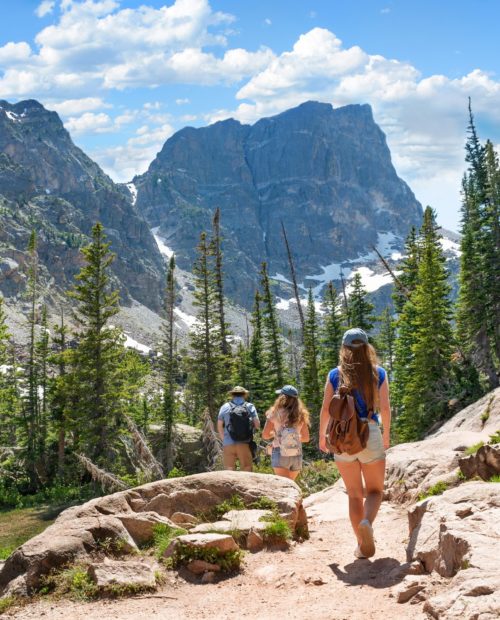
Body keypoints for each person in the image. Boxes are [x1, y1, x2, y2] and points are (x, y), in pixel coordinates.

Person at [319, 328, 391, 560]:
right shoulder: (378, 373)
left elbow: (325, 410)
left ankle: (361, 546)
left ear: (344, 349)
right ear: (367, 348)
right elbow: (386, 408)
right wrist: (386, 435)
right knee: (375, 491)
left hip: (342, 438)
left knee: (353, 494)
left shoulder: (334, 374)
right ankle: (366, 522)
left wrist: (322, 437)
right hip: (369, 432)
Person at [262, 384, 310, 480]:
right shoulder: (301, 415)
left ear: (281, 397)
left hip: (280, 453)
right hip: (296, 454)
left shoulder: (274, 413)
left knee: (284, 488)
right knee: (291, 485)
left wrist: (277, 435)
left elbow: (265, 435)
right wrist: (292, 437)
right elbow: (306, 438)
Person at [217, 386, 260, 472]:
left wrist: (224, 440)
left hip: (228, 443)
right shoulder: (249, 406)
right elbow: (257, 425)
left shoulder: (225, 407)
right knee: (246, 468)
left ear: (232, 395)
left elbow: (219, 425)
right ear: (244, 395)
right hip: (244, 443)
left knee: (229, 470)